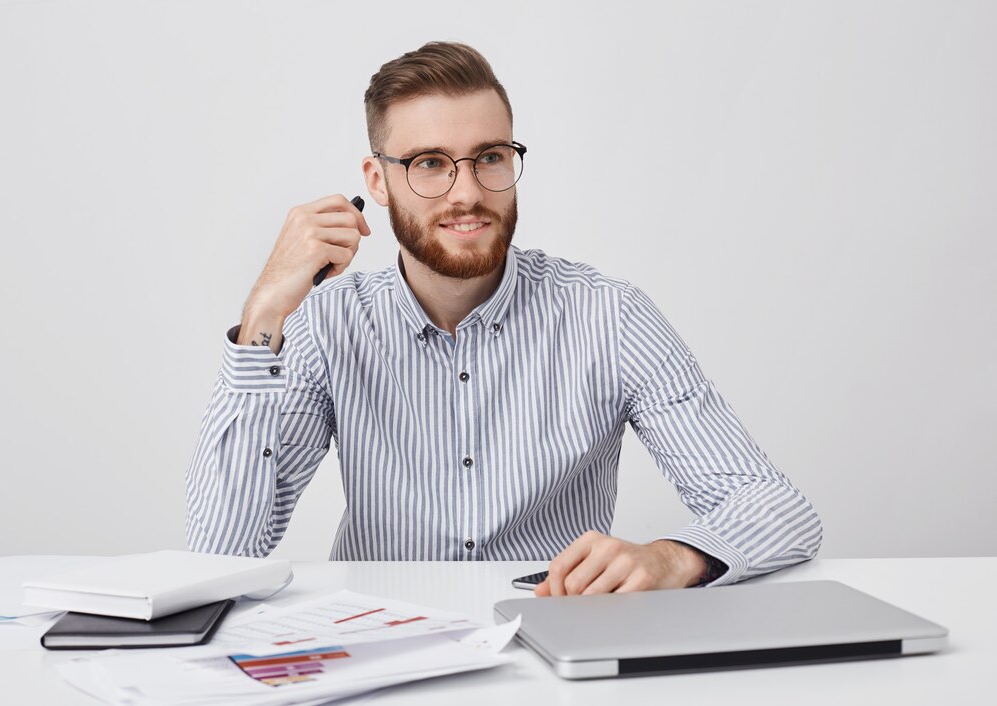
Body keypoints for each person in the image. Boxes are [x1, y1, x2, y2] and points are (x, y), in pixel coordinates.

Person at [185, 41, 822, 596]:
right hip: (381, 648)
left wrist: (668, 559)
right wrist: (264, 313)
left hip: (552, 642)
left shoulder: (610, 316)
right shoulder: (327, 325)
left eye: (489, 156)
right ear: (377, 181)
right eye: (430, 163)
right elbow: (222, 548)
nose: (467, 192)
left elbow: (774, 509)